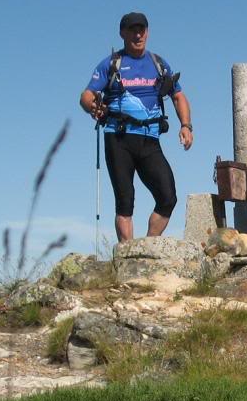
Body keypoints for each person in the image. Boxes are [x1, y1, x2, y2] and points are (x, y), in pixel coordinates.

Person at [80, 12, 193, 242]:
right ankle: (126, 256)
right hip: (118, 138)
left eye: (142, 29)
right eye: (133, 30)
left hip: (149, 139)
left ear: (148, 32)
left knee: (167, 197)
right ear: (123, 34)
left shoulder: (158, 64)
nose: (138, 34)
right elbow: (87, 95)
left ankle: (147, 248)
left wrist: (186, 126)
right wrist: (93, 107)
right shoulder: (112, 64)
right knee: (125, 201)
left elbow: (178, 95)